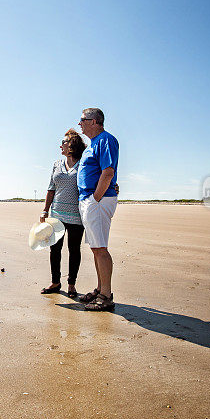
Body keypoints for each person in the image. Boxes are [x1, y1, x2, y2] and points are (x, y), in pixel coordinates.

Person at [76, 107, 119, 311]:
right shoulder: (92, 144)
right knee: (95, 248)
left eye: (82, 120)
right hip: (89, 200)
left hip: (98, 201)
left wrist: (95, 198)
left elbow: (108, 172)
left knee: (101, 248)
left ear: (94, 121)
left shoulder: (105, 140)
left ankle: (106, 296)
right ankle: (101, 288)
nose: (80, 124)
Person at [39, 129, 86, 298]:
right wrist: (45, 210)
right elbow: (51, 188)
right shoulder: (56, 164)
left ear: (72, 144)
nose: (61, 145)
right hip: (56, 214)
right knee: (55, 249)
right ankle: (55, 282)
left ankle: (71, 284)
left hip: (76, 215)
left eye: (64, 142)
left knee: (74, 250)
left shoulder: (83, 164)